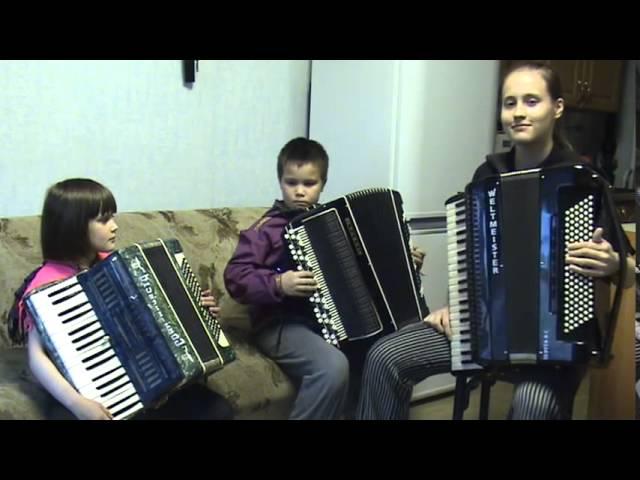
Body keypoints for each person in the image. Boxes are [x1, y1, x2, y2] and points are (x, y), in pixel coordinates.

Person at [355, 61, 635, 420]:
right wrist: (454, 306)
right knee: (384, 357)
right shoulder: (488, 174)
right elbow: (472, 258)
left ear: (558, 107)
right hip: (485, 331)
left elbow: (628, 274)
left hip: (559, 344)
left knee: (532, 405)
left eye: (532, 101)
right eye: (510, 102)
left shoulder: (583, 181)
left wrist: (613, 264)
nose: (518, 112)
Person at [10, 178, 233, 420]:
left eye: (113, 217)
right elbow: (37, 358)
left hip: (142, 379)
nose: (115, 226)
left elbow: (154, 315)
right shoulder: (47, 285)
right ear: (72, 226)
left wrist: (195, 311)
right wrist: (77, 403)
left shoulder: (115, 264)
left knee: (216, 410)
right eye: (104, 220)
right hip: (89, 388)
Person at [224, 137, 356, 420]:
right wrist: (278, 283)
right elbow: (236, 276)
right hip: (280, 324)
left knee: (376, 353)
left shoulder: (333, 224)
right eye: (291, 182)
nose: (299, 191)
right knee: (331, 367)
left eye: (309, 184)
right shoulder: (266, 228)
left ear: (323, 183)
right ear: (280, 181)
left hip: (328, 323)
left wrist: (404, 258)